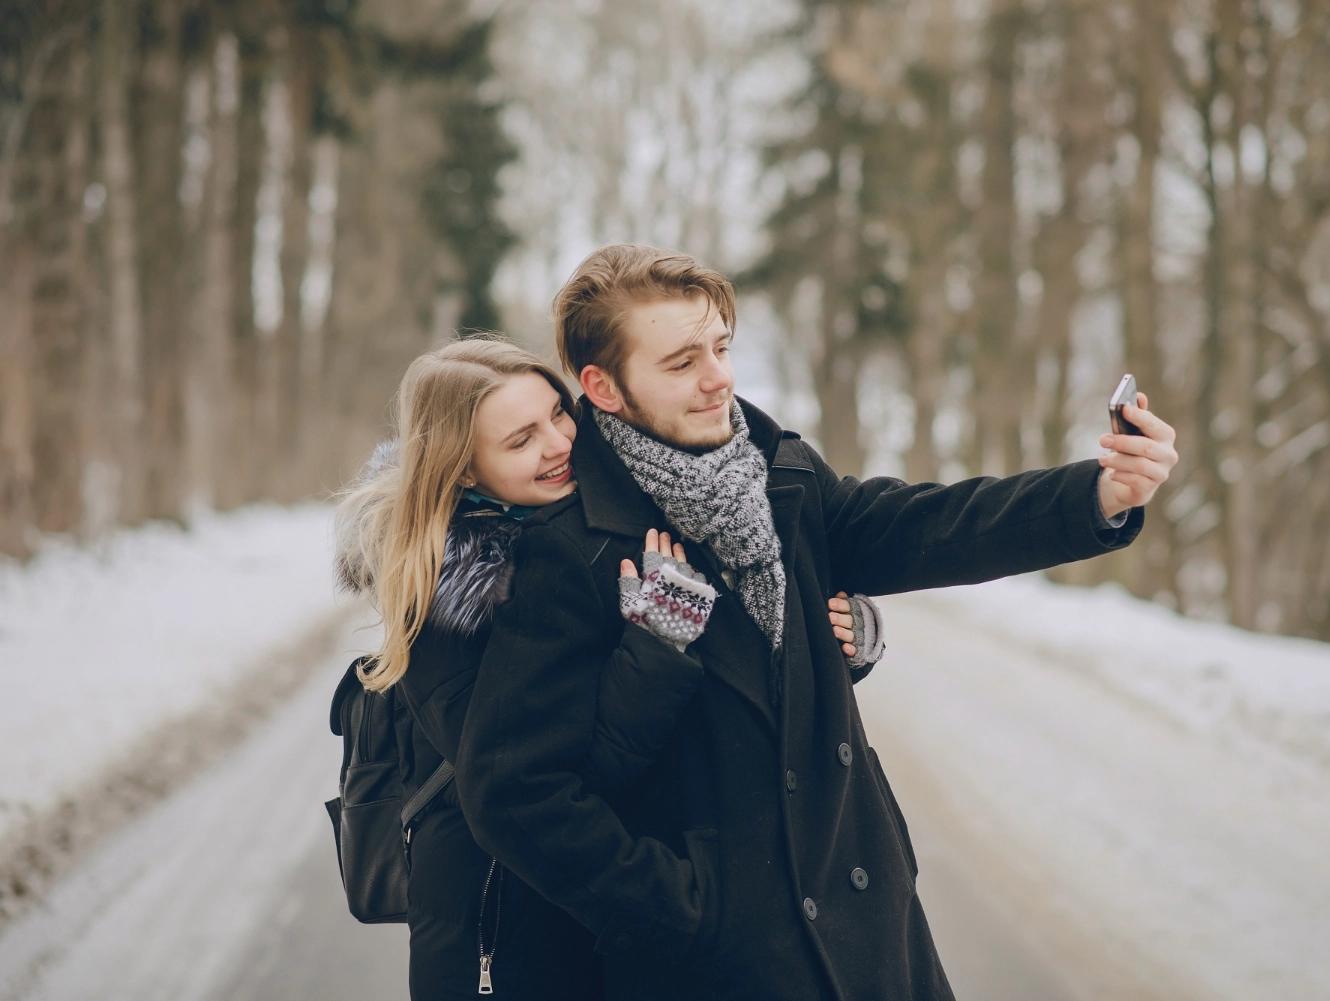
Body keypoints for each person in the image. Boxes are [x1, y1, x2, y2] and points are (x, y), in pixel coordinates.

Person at [452, 245, 1180, 1000]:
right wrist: (675, 908)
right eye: (680, 363)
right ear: (604, 387)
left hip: (867, 932)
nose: (718, 378)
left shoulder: (784, 477)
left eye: (721, 347)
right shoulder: (573, 548)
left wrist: (1099, 495)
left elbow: (932, 524)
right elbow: (513, 791)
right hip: (714, 967)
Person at [331, 335, 887, 1000]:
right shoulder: (450, 607)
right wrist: (657, 641)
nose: (559, 444)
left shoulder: (584, 522)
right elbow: (578, 771)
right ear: (465, 470)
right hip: (504, 939)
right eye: (519, 440)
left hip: (590, 924)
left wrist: (841, 633)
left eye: (558, 414)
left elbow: (731, 679)